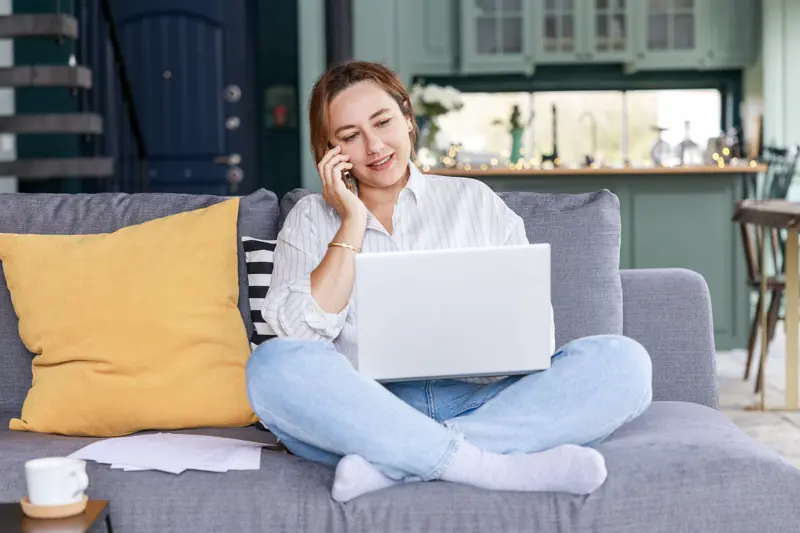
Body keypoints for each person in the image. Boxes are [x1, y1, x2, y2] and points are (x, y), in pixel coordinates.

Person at [245, 60, 652, 503]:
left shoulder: (474, 201)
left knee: (624, 362)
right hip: (364, 412)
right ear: (330, 150)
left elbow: (534, 339)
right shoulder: (310, 218)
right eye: (349, 136)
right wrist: (351, 222)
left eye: (382, 122)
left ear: (407, 117)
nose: (374, 145)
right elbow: (297, 337)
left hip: (484, 403)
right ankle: (489, 464)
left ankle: (398, 462)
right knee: (272, 367)